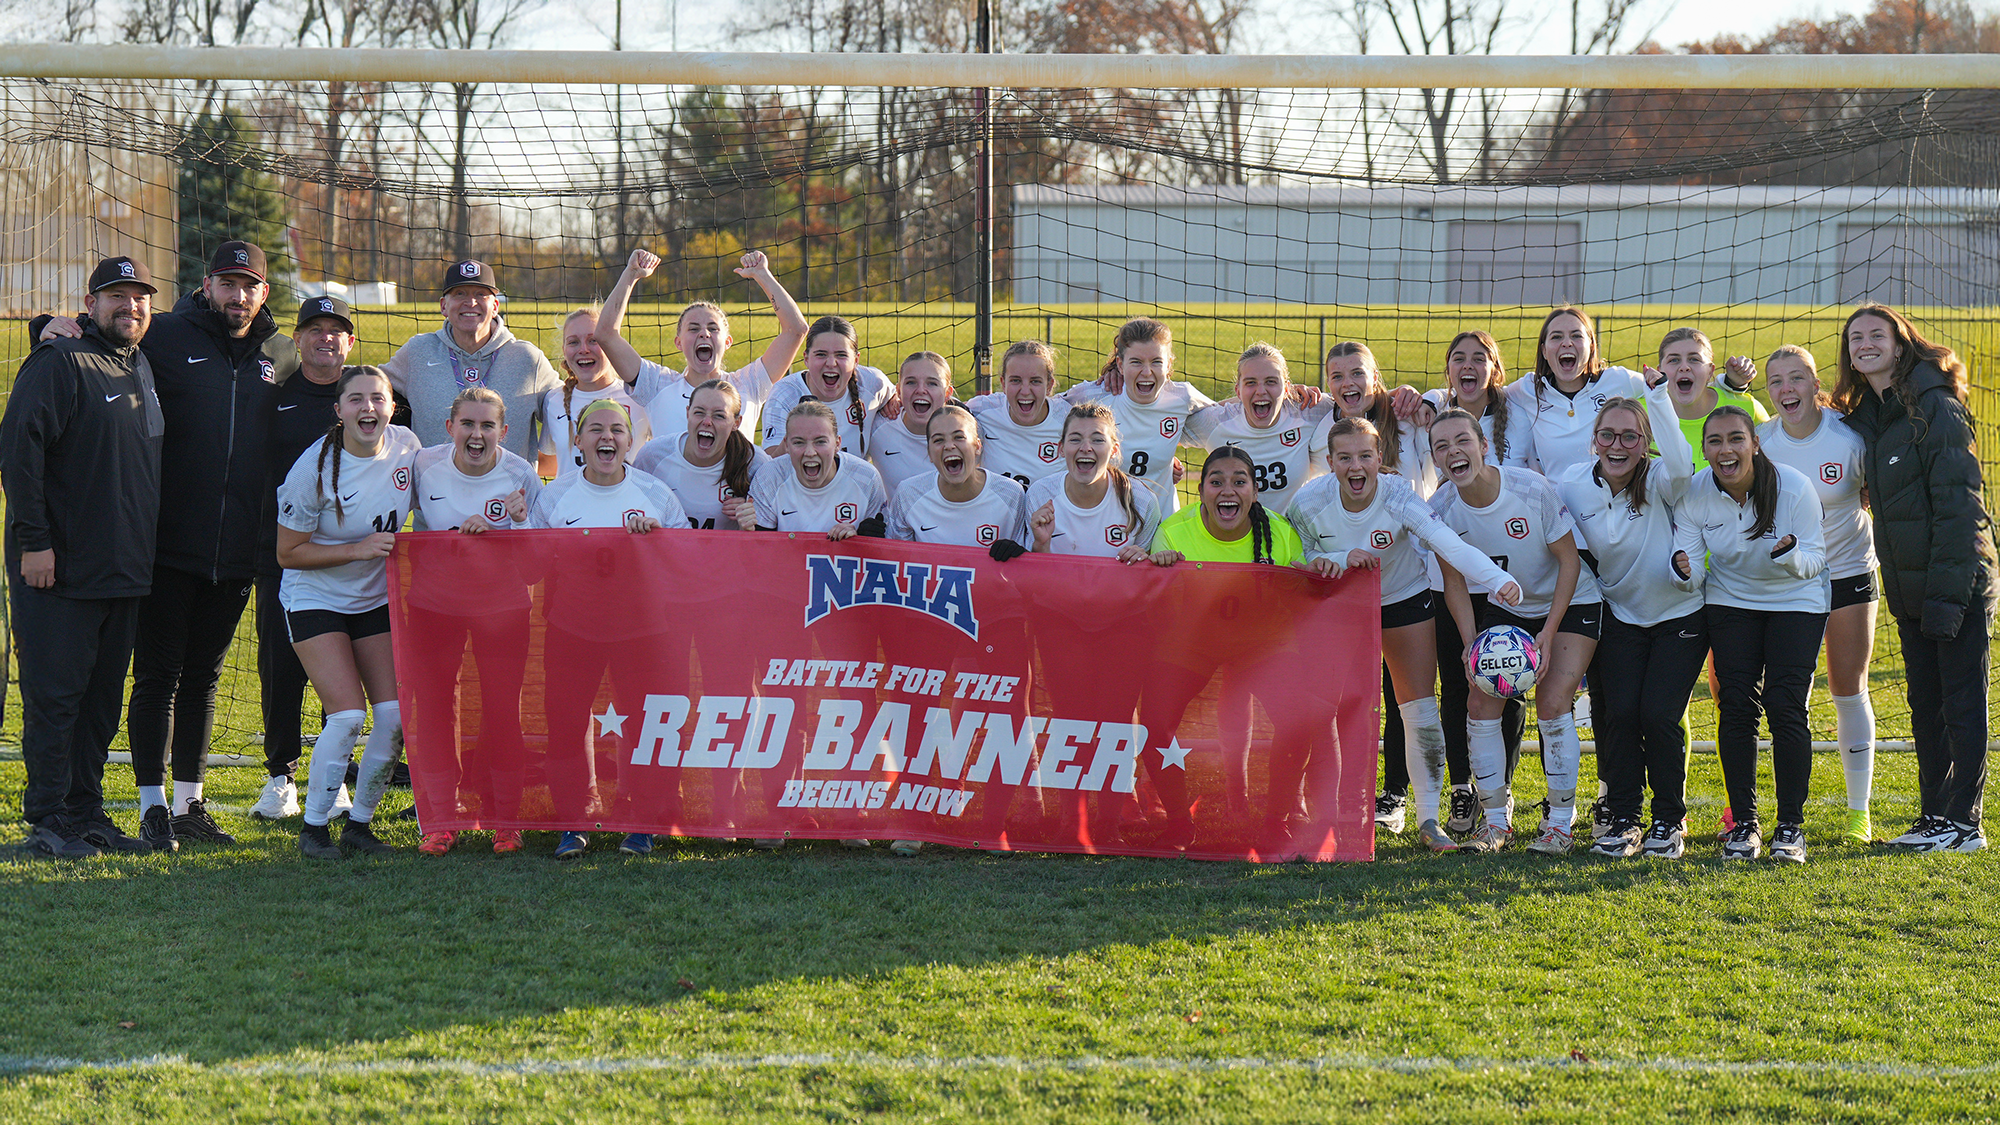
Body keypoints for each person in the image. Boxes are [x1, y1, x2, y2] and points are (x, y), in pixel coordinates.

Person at [34, 240, 297, 848]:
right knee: (157, 675)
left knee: (204, 676)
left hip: (235, 551)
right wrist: (45, 325)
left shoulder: (277, 354)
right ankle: (151, 805)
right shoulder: (167, 334)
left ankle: (190, 805)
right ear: (207, 286)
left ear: (263, 292)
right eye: (227, 284)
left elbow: (327, 392)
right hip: (162, 544)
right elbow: (96, 343)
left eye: (249, 285)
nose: (238, 296)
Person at [1290, 416, 1521, 852]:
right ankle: (1327, 815)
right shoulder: (1308, 503)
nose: (1355, 467)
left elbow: (1447, 542)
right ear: (1330, 462)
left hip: (1402, 599)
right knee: (1326, 712)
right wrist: (1336, 556)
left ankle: (1428, 821)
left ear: (1380, 459)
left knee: (1418, 710)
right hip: (1337, 606)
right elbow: (1293, 554)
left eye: (1364, 456)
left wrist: (1495, 579)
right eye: (1344, 458)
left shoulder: (1398, 495)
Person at [2, 256, 165, 857]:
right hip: (58, 569)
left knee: (101, 700)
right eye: (117, 296)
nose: (131, 306)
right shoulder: (59, 361)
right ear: (91, 303)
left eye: (140, 297)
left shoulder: (141, 361)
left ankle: (86, 813)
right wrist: (33, 541)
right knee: (56, 696)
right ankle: (47, 818)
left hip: (123, 569)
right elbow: (19, 453)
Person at [1836, 305, 1995, 854]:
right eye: (1855, 339)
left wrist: (1950, 595)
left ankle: (1964, 823)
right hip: (1908, 585)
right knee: (1925, 706)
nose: (1864, 345)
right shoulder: (1874, 414)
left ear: (1901, 345)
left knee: (1961, 703)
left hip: (1956, 583)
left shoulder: (1936, 406)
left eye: (1875, 335)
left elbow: (1960, 508)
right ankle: (1933, 815)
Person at [1430, 408, 1602, 854]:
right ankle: (1494, 825)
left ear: (1483, 446)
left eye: (1462, 441)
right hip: (1507, 607)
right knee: (1479, 700)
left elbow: (1569, 562)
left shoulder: (1530, 490)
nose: (1454, 452)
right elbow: (1455, 585)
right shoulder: (1442, 509)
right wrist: (1470, 647)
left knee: (1552, 700)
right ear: (1435, 460)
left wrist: (1548, 631)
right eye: (1441, 447)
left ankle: (1560, 823)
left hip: (1570, 603)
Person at [529, 399, 690, 860]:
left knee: (647, 726)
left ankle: (643, 822)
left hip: (642, 630)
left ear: (631, 441)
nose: (607, 438)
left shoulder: (656, 495)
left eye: (617, 430)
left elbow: (685, 564)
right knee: (565, 725)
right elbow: (531, 565)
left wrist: (658, 542)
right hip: (572, 628)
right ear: (576, 441)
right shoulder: (554, 496)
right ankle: (572, 821)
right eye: (595, 429)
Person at [275, 366, 424, 859]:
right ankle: (314, 829)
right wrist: (356, 550)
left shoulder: (407, 447)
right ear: (338, 411)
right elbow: (287, 552)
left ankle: (359, 825)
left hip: (372, 599)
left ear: (392, 407)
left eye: (377, 399)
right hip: (314, 597)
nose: (368, 408)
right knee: (346, 716)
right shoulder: (313, 469)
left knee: (395, 715)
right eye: (356, 399)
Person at [1671, 406, 1827, 863]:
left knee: (1785, 705)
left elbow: (1815, 561)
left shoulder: (1793, 487)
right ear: (1705, 451)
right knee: (1736, 704)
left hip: (1796, 599)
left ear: (1754, 443)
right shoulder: (1695, 493)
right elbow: (1692, 570)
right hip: (1731, 601)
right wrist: (1682, 572)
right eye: (1715, 442)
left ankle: (1790, 828)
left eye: (1736, 439)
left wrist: (1790, 555)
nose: (1726, 450)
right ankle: (1744, 825)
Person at [1554, 385, 1704, 859]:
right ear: (1593, 440)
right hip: (1618, 613)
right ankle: (1624, 819)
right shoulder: (1572, 484)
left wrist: (1658, 399)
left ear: (1646, 443)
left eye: (1629, 437)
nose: (1617, 446)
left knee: (1658, 715)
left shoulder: (1663, 477)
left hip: (1680, 613)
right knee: (1616, 715)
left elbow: (1682, 461)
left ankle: (1668, 819)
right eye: (1607, 436)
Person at [405, 388, 541, 855]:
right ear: (450, 429)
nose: (476, 434)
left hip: (502, 611)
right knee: (436, 708)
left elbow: (536, 566)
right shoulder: (424, 465)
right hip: (433, 607)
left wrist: (518, 525)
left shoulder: (521, 473)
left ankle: (506, 819)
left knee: (502, 709)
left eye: (487, 426)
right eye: (468, 424)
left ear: (504, 432)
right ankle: (441, 820)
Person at [1760, 344, 1878, 843]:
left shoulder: (1848, 437)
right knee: (1790, 697)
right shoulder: (1762, 440)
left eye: (1796, 378)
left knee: (1847, 688)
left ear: (1814, 384)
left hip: (1849, 574)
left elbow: (1875, 495)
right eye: (1777, 382)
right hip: (1790, 582)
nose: (1787, 389)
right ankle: (1789, 815)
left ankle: (1858, 812)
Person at [250, 296, 357, 821]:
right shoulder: (275, 396)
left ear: (349, 342)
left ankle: (334, 778)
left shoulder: (368, 395)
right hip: (284, 557)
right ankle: (280, 778)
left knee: (341, 671)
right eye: (314, 329)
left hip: (353, 560)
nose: (325, 339)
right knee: (280, 666)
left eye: (335, 331)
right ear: (298, 340)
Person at [1426, 331, 1525, 835]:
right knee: (1459, 681)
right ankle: (1464, 789)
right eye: (1456, 358)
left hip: (1511, 577)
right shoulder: (1427, 409)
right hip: (1451, 579)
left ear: (1495, 368)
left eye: (1478, 358)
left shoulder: (1522, 408)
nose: (1467, 366)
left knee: (1506, 677)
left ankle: (1500, 790)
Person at [597, 248, 808, 444]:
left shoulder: (748, 385)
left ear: (727, 342)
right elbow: (606, 334)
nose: (704, 333)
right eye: (694, 328)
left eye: (713, 328)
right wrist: (630, 275)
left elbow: (795, 330)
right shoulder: (656, 385)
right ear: (678, 343)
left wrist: (763, 275)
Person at [381, 259, 560, 461]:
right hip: (434, 489)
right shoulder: (417, 352)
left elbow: (569, 407)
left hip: (507, 491)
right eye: (460, 294)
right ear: (443, 306)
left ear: (495, 306)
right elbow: (369, 386)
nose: (471, 302)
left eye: (480, 294)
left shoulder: (528, 359)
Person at [1067, 318, 1214, 514]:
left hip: (1162, 529)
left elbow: (1227, 415)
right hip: (1110, 528)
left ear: (1169, 364)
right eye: (1136, 362)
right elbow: (1045, 409)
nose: (1147, 372)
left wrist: (1166, 454)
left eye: (1156, 362)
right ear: (1120, 364)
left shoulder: (1182, 397)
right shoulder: (1092, 397)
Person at [1187, 343, 1331, 516]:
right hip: (1236, 537)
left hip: (1292, 538)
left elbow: (1356, 406)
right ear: (1238, 391)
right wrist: (1167, 459)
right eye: (1250, 383)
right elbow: (1164, 428)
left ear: (1286, 388)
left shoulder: (1309, 410)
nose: (1261, 391)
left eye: (1271, 382)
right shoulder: (1215, 422)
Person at [1502, 306, 1647, 476]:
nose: (1567, 343)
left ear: (1591, 346)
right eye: (1556, 337)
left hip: (1610, 500)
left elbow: (1664, 389)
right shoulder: (1527, 389)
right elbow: (1487, 396)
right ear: (1544, 351)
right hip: (1555, 502)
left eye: (1576, 336)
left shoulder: (1619, 380)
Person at [1025, 403, 1160, 561]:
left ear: (1114, 450)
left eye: (1097, 440)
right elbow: (1035, 576)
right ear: (1061, 448)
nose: (1086, 448)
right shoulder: (1040, 494)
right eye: (1075, 439)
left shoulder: (1142, 501)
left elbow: (1146, 576)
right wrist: (1041, 544)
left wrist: (1141, 559)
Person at [633, 379, 769, 530]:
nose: (707, 422)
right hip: (669, 553)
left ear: (736, 423)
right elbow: (629, 506)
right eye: (699, 412)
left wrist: (754, 512)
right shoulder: (653, 456)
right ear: (687, 413)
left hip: (725, 553)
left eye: (719, 416)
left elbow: (774, 523)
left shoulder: (755, 463)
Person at [750, 400, 890, 538]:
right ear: (786, 445)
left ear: (837, 444)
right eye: (799, 442)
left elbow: (882, 549)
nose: (810, 452)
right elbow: (761, 548)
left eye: (820, 442)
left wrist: (858, 539)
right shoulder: (769, 477)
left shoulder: (866, 479)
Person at [540, 306, 651, 476]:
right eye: (573, 342)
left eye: (593, 340)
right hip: (572, 502)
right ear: (564, 350)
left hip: (626, 502)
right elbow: (553, 463)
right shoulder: (553, 400)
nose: (583, 349)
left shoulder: (637, 397)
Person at [760, 316, 893, 457]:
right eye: (821, 354)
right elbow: (772, 463)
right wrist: (796, 437)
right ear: (806, 358)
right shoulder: (784, 394)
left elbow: (903, 398)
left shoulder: (873, 383)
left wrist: (893, 400)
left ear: (856, 360)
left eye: (841, 355)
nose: (831, 363)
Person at [1649, 327, 1764, 472]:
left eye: (1694, 359)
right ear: (1660, 371)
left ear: (1710, 371)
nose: (1684, 367)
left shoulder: (1746, 408)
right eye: (1674, 360)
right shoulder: (1640, 414)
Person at [966, 341, 1072, 489]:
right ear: (1003, 383)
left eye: (1035, 381)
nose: (1025, 391)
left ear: (1049, 386)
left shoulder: (1069, 420)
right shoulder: (981, 411)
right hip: (998, 511)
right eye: (1015, 380)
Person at [869, 352, 958, 497]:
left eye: (932, 383)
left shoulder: (966, 433)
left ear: (947, 393)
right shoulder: (878, 426)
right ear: (898, 390)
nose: (921, 390)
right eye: (911, 382)